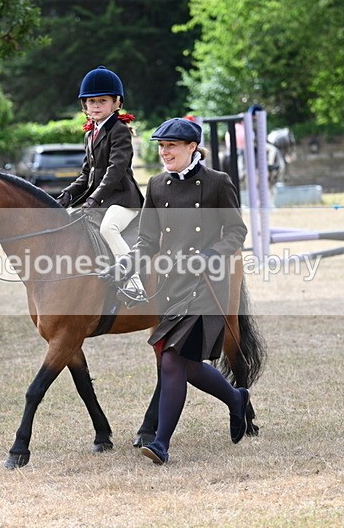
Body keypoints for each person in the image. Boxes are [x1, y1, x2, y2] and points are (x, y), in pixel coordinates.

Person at [104, 118, 250, 465]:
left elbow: (236, 232)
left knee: (170, 359)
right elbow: (147, 240)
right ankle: (235, 398)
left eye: (171, 146)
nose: (164, 152)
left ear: (191, 148)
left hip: (206, 284)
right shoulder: (156, 185)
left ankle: (161, 443)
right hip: (171, 286)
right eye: (161, 146)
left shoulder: (217, 183)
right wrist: (127, 264)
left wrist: (210, 255)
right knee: (187, 365)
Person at [56, 66, 146, 304]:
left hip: (123, 201)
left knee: (109, 229)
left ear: (117, 103)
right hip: (101, 199)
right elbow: (87, 173)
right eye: (91, 101)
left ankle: (134, 283)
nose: (95, 106)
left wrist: (94, 199)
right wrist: (67, 194)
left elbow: (115, 171)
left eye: (102, 101)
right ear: (84, 105)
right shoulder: (90, 134)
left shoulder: (120, 130)